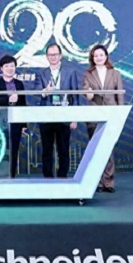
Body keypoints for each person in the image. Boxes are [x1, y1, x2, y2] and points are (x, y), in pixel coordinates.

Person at [82, 44, 124, 193]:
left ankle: (109, 182)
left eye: (101, 55)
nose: (99, 58)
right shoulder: (88, 74)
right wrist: (89, 93)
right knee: (95, 150)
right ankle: (98, 182)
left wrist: (120, 115)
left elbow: (120, 95)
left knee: (108, 149)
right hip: (94, 115)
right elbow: (86, 92)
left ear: (106, 56)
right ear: (92, 58)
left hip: (111, 115)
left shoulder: (115, 73)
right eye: (96, 56)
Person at [33, 43, 79, 178]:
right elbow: (35, 91)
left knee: (63, 149)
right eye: (50, 55)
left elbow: (75, 95)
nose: (53, 57)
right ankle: (48, 178)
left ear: (60, 56)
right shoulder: (41, 73)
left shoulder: (70, 72)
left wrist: (75, 117)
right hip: (46, 116)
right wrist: (45, 91)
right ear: (46, 56)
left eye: (55, 54)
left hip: (64, 115)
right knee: (46, 150)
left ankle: (62, 177)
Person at [0, 55, 27, 178]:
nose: (10, 68)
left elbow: (23, 103)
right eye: (7, 66)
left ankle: (12, 176)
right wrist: (9, 99)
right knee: (1, 149)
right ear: (2, 68)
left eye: (12, 66)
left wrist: (24, 124)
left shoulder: (19, 83)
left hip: (16, 121)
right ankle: (0, 175)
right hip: (2, 121)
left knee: (14, 149)